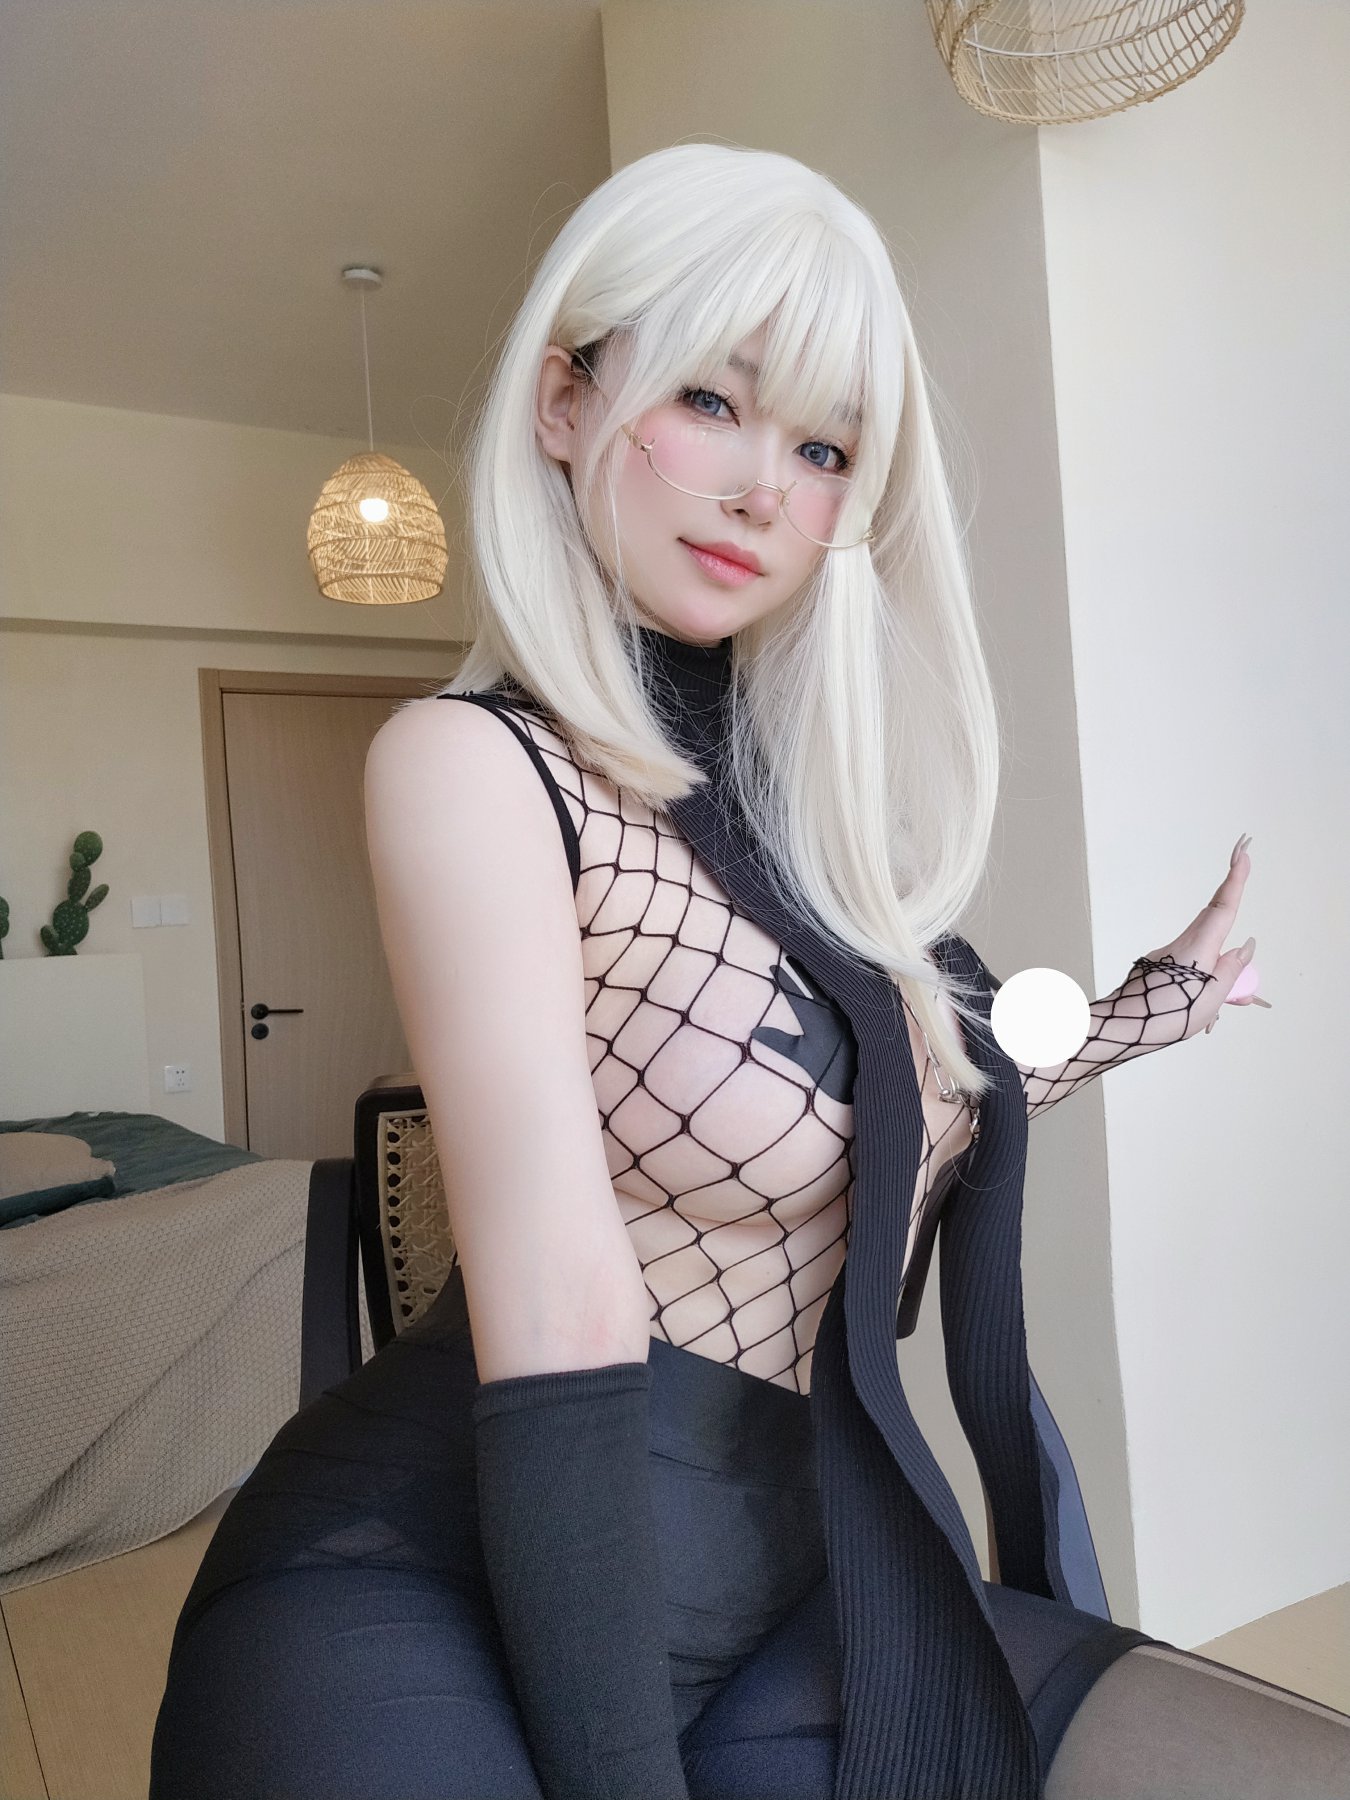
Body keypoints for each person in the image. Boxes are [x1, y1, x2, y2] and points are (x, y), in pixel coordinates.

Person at [151, 142, 1350, 1799]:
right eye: (711, 400)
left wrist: (1158, 1003)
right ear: (564, 401)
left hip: (792, 1555)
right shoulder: (478, 768)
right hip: (432, 1581)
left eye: (822, 447)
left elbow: (911, 1084)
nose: (762, 489)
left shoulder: (806, 830)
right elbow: (558, 1303)